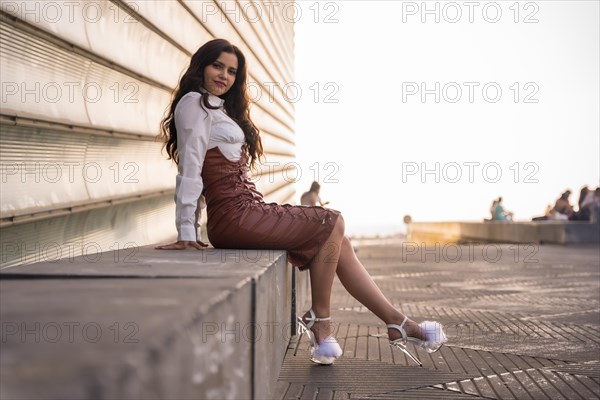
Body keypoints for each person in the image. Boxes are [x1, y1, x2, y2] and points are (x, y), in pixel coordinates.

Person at [154, 39, 446, 366]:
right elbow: (191, 169)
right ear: (201, 66)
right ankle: (322, 323)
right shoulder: (194, 103)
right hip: (236, 216)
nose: (224, 75)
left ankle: (397, 322)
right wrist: (187, 232)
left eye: (232, 71)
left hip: (246, 211)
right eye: (217, 66)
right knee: (331, 220)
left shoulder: (219, 107)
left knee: (339, 243)